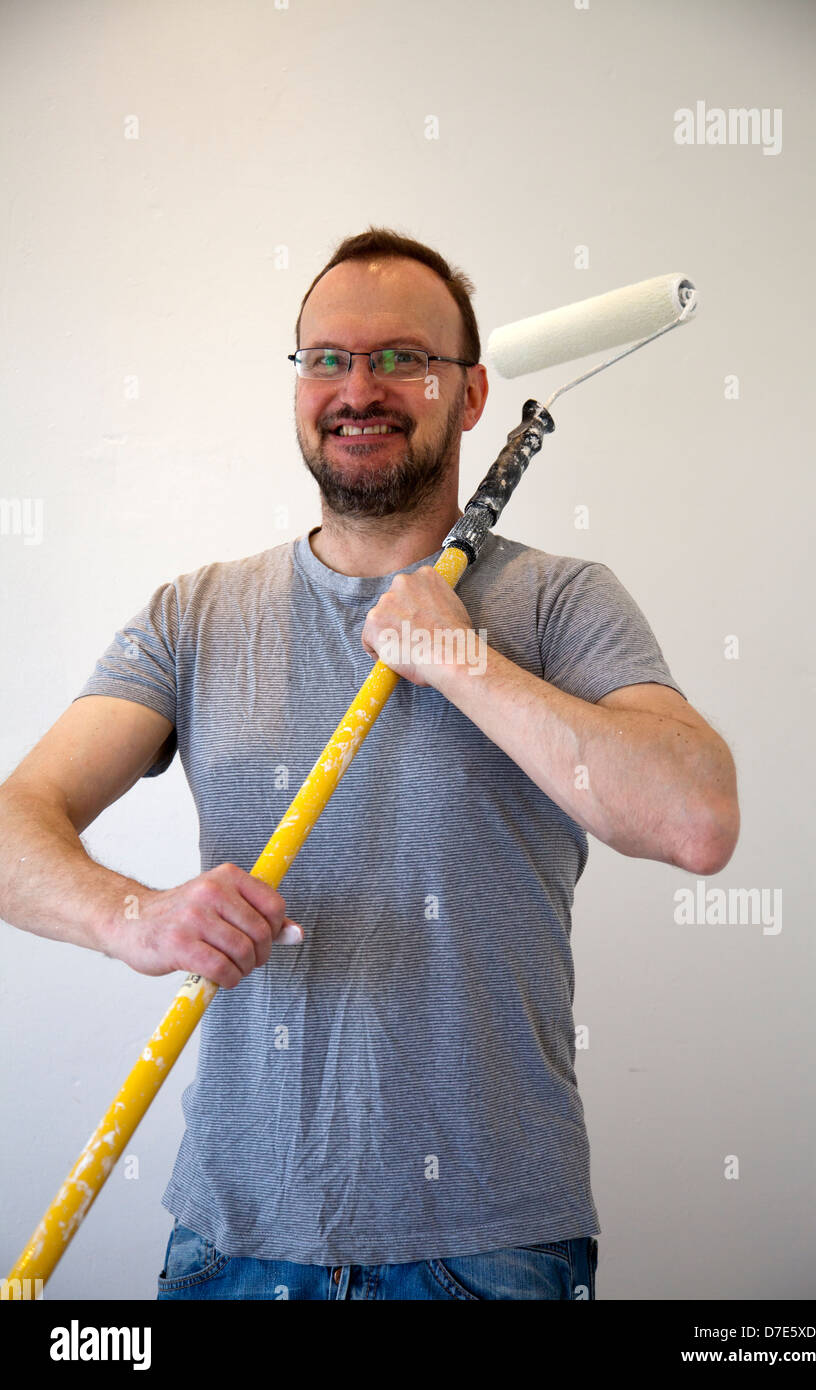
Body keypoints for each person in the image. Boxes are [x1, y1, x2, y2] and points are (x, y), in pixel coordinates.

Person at [0, 226, 739, 1301]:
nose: (360, 386)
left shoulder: (560, 602)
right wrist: (134, 917)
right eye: (326, 358)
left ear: (472, 393)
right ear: (296, 383)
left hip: (488, 1248)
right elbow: (18, 819)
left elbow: (695, 819)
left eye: (403, 358)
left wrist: (460, 660)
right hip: (232, 1242)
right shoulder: (195, 614)